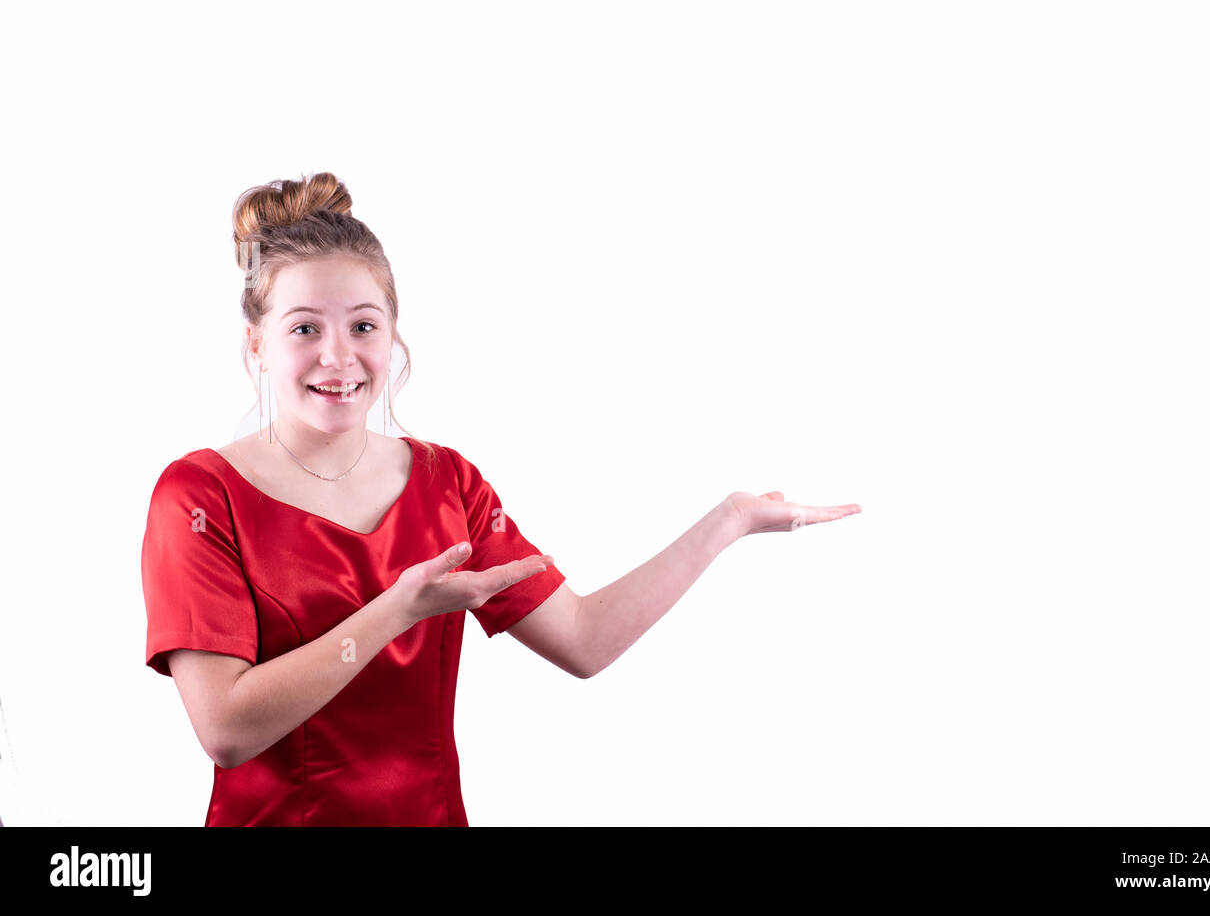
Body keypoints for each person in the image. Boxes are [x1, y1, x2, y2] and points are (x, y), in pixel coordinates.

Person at [140, 171, 861, 826]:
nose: (339, 356)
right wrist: (399, 609)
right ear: (258, 345)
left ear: (393, 339)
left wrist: (728, 520)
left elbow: (583, 638)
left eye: (363, 325)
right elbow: (226, 730)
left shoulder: (446, 483)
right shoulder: (200, 495)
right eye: (305, 328)